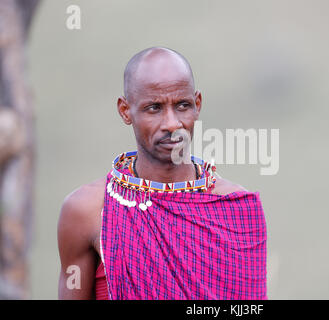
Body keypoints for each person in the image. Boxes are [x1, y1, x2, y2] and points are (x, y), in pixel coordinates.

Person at [57, 47, 267, 300]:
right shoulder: (86, 211)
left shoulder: (233, 208)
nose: (171, 123)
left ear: (197, 105)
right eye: (154, 108)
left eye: (182, 105)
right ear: (125, 110)